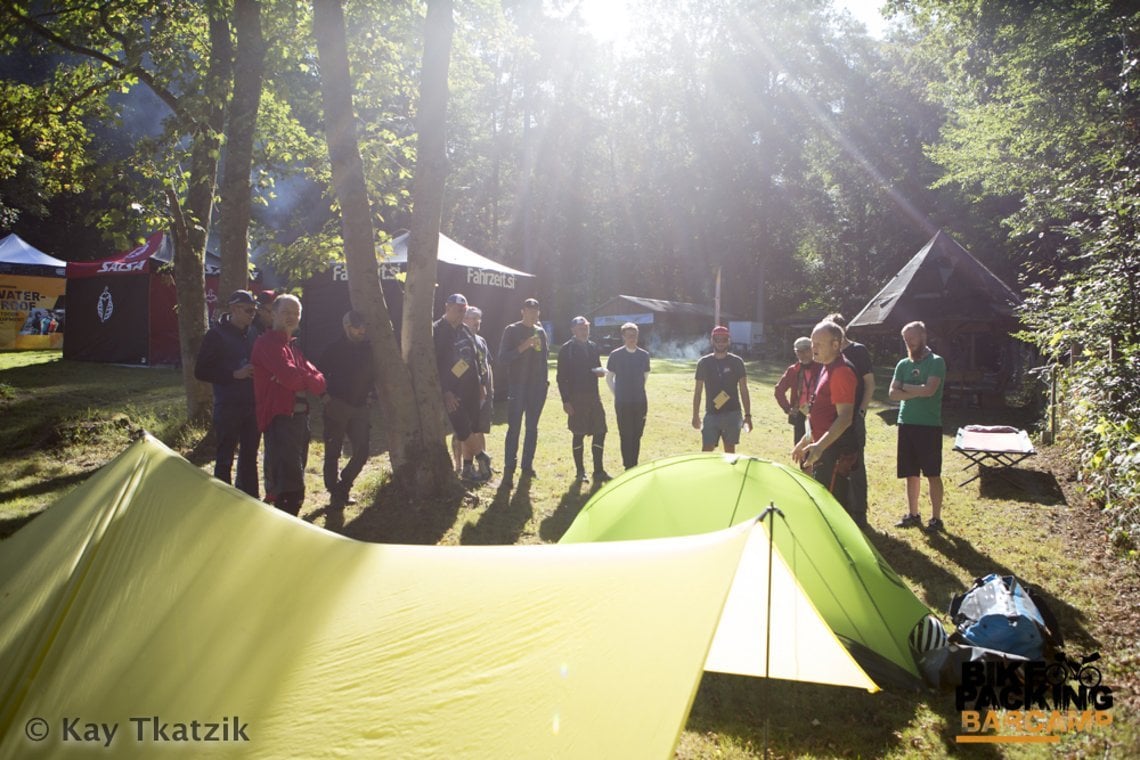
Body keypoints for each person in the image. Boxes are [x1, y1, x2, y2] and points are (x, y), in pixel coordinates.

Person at [252, 293, 327, 516]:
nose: (291, 317)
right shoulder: (266, 344)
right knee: (289, 481)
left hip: (300, 420)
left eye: (296, 313)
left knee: (296, 472)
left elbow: (320, 383)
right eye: (286, 312)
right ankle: (287, 524)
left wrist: (299, 376)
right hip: (281, 420)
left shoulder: (293, 348)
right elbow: (294, 380)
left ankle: (288, 520)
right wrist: (301, 377)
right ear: (272, 314)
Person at [792, 320, 862, 525]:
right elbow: (819, 413)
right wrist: (804, 442)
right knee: (824, 500)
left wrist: (820, 446)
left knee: (833, 505)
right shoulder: (826, 366)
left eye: (818, 344)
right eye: (812, 343)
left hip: (835, 451)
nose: (813, 348)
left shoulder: (841, 371)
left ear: (835, 344)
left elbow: (845, 417)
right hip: (823, 448)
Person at [194, 289, 261, 498]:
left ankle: (250, 498)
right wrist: (234, 374)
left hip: (252, 403)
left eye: (254, 310)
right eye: (248, 310)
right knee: (225, 456)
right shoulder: (216, 335)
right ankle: (221, 499)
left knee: (250, 455)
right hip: (228, 404)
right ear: (234, 309)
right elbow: (201, 371)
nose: (252, 314)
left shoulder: (253, 332)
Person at [888, 321, 947, 532]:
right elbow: (892, 394)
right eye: (905, 339)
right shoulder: (903, 364)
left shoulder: (936, 362)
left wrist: (904, 387)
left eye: (912, 338)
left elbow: (930, 390)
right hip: (906, 423)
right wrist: (916, 390)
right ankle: (913, 514)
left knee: (932, 473)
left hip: (929, 425)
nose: (909, 343)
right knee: (910, 473)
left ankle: (936, 518)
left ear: (923, 336)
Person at [317, 310, 374, 508]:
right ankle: (334, 492)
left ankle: (345, 485)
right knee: (333, 450)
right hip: (337, 405)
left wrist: (370, 396)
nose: (362, 330)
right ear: (346, 327)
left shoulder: (368, 349)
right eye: (357, 326)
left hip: (359, 408)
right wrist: (324, 396)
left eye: (363, 326)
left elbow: (373, 375)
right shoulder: (333, 349)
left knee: (362, 449)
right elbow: (318, 374)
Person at [434, 293, 488, 483]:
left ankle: (468, 468)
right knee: (462, 429)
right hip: (452, 391)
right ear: (447, 308)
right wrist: (446, 391)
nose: (461, 315)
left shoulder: (465, 330)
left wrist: (481, 382)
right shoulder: (437, 330)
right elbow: (434, 366)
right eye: (458, 311)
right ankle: (482, 456)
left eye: (464, 311)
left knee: (471, 428)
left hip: (471, 388)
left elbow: (475, 358)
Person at [829, 313, 876, 527]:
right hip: (833, 418)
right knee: (835, 463)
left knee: (856, 464)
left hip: (853, 417)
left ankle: (859, 514)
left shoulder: (858, 351)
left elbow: (869, 384)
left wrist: (862, 411)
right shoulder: (828, 354)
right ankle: (841, 509)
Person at [498, 297, 549, 486]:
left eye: (535, 312)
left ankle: (527, 466)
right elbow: (502, 358)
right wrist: (523, 346)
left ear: (539, 313)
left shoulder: (541, 332)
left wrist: (545, 383)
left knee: (532, 428)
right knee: (514, 427)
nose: (532, 314)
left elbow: (544, 360)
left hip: (537, 387)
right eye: (529, 311)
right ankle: (509, 467)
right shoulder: (511, 330)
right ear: (522, 311)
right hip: (517, 386)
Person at [556, 316, 611, 483]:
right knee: (578, 433)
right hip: (576, 397)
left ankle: (598, 470)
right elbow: (561, 377)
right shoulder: (567, 349)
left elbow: (596, 366)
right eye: (581, 328)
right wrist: (566, 401)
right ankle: (580, 472)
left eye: (586, 327)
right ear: (573, 330)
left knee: (600, 431)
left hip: (594, 395)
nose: (584, 331)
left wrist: (600, 372)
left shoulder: (593, 346)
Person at [692, 325, 752, 453]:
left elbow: (744, 389)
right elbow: (698, 391)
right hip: (712, 413)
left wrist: (747, 415)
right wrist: (695, 415)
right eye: (717, 339)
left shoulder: (737, 362)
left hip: (733, 413)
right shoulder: (703, 363)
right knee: (707, 450)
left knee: (730, 450)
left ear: (729, 341)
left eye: (724, 339)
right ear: (712, 340)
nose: (720, 342)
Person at [450, 305, 494, 479]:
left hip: (483, 392)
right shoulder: (458, 339)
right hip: (464, 393)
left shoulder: (481, 340)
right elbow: (457, 368)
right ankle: (460, 466)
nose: (476, 322)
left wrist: (490, 387)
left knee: (478, 428)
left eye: (478, 319)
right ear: (464, 320)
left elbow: (487, 365)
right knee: (462, 431)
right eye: (472, 318)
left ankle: (477, 465)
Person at [606, 322, 651, 470]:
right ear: (623, 337)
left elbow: (645, 377)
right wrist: (618, 394)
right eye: (629, 335)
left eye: (635, 335)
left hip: (639, 402)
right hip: (623, 402)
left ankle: (634, 464)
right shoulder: (616, 355)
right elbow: (609, 378)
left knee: (637, 434)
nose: (632, 338)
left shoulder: (644, 355)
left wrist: (635, 391)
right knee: (625, 434)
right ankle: (628, 465)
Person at [774, 336, 818, 446]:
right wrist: (788, 408)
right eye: (799, 352)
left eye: (806, 351)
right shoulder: (793, 370)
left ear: (812, 350)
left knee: (817, 445)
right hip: (800, 414)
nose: (803, 355)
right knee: (800, 446)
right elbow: (779, 390)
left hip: (818, 412)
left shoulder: (821, 368)